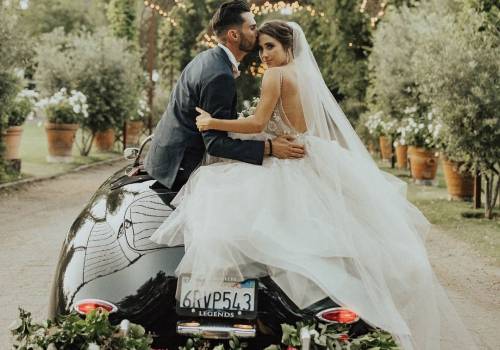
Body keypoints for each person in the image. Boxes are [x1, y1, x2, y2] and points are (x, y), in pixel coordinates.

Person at [150, 20, 477, 350]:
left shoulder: (276, 75)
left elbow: (257, 123)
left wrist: (211, 122)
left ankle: (247, 311)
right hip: (310, 153)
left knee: (232, 209)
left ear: (288, 47)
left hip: (285, 158)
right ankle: (313, 313)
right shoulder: (305, 75)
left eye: (270, 47)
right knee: (324, 230)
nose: (263, 54)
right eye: (261, 47)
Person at [144, 0, 304, 191]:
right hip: (180, 169)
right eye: (252, 27)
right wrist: (269, 148)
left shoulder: (206, 59)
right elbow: (215, 143)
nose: (257, 31)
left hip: (163, 160)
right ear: (234, 35)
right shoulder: (219, 74)